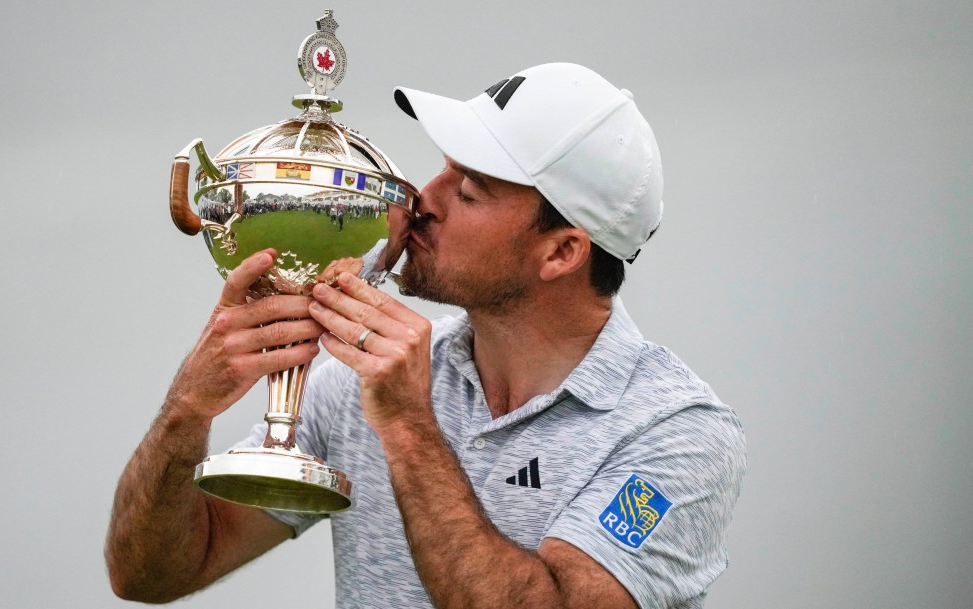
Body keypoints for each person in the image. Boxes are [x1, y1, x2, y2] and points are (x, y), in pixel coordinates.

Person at [106, 63, 746, 609]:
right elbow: (152, 574)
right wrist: (184, 413)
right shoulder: (361, 380)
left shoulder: (678, 431)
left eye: (469, 190)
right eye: (443, 169)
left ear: (562, 252)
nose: (422, 199)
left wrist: (410, 429)